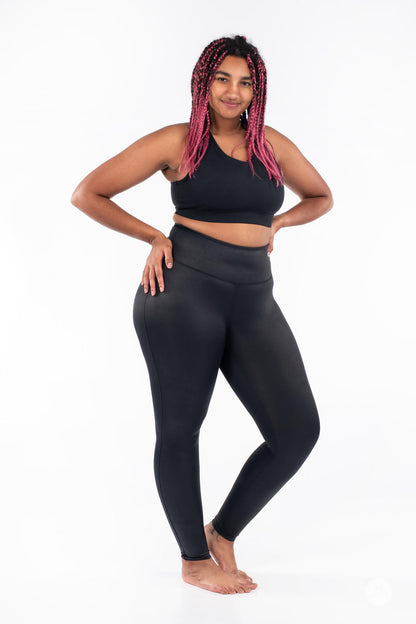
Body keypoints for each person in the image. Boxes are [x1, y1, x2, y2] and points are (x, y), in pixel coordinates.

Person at [71, 34, 333, 596]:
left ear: (257, 90)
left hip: (253, 297)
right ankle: (193, 560)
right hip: (183, 291)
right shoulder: (178, 141)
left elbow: (320, 196)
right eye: (222, 79)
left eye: (245, 82)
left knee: (297, 430)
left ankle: (221, 531)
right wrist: (152, 236)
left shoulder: (271, 146)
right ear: (203, 83)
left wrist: (279, 223)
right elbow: (89, 193)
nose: (233, 92)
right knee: (181, 429)